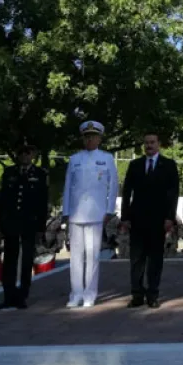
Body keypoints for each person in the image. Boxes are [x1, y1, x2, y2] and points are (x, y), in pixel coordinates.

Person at [62, 121, 119, 308]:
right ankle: (76, 293)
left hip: (96, 213)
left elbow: (114, 185)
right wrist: (66, 211)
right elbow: (68, 187)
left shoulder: (107, 158)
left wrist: (110, 210)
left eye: (93, 136)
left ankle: (90, 294)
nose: (90, 139)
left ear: (99, 139)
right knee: (76, 256)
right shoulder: (74, 159)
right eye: (87, 137)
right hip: (76, 213)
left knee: (93, 255)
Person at [120, 132, 179, 308]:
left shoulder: (168, 165)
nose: (149, 146)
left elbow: (173, 194)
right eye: (146, 143)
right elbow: (127, 193)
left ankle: (153, 294)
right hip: (137, 219)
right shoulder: (135, 165)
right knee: (137, 259)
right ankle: (137, 294)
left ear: (158, 144)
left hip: (158, 220)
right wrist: (125, 217)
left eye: (152, 142)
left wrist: (170, 217)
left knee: (155, 259)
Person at [0, 143, 49, 310]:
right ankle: (8, 295)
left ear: (32, 155)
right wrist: (1, 223)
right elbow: (3, 200)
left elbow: (42, 202)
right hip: (11, 222)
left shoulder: (40, 174)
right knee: (10, 260)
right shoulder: (10, 172)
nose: (25, 157)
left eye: (28, 153)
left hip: (30, 223)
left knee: (27, 260)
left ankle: (22, 295)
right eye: (21, 153)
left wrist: (41, 226)